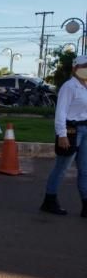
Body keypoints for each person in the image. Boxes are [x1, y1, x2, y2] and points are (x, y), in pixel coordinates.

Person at [40, 55, 87, 217]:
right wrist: (62, 134)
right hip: (71, 130)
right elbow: (60, 112)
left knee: (85, 169)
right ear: (75, 68)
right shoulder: (69, 87)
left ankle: (85, 204)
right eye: (85, 66)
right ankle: (49, 200)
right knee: (62, 167)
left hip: (85, 129)